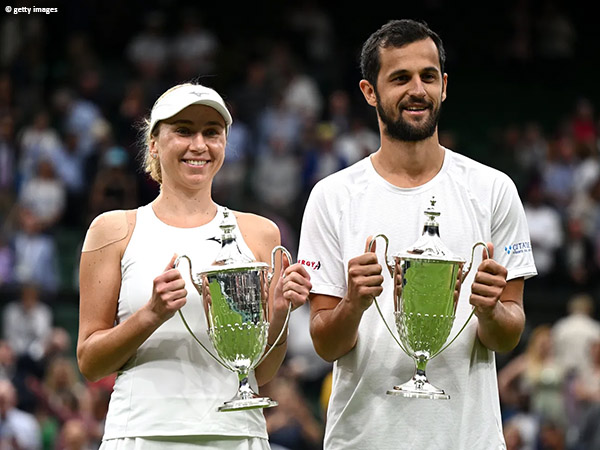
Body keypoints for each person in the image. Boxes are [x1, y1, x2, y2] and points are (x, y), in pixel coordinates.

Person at [297, 19, 537, 449]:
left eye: (428, 77)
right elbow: (326, 345)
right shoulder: (332, 196)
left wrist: (489, 311)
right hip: (363, 439)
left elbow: (508, 333)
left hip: (467, 438)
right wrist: (352, 302)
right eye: (400, 78)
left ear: (444, 86)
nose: (417, 90)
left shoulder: (493, 189)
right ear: (370, 92)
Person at [76, 82, 312, 450]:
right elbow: (90, 362)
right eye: (183, 131)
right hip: (142, 433)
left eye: (211, 133)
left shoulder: (261, 233)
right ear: (154, 142)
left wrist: (279, 312)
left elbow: (262, 373)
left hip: (237, 434)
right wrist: (150, 315)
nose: (199, 145)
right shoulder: (113, 229)